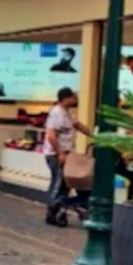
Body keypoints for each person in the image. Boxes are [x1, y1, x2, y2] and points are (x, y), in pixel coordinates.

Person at [44, 87, 92, 227]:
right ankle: (52, 213)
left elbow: (78, 125)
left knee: (64, 185)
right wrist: (60, 153)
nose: (75, 99)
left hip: (66, 154)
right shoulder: (57, 113)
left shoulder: (67, 114)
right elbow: (51, 136)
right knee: (58, 184)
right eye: (73, 97)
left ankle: (60, 211)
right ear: (66, 98)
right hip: (56, 155)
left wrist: (94, 136)